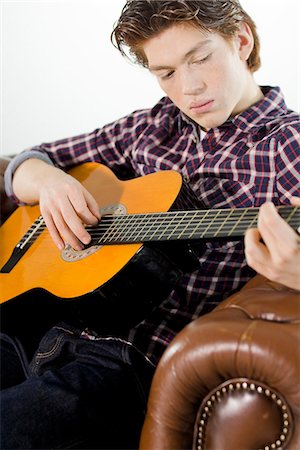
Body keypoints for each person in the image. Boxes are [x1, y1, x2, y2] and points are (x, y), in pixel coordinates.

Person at [1, 1, 299, 448]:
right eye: (167, 73)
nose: (190, 87)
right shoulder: (152, 126)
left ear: (240, 40)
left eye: (200, 58)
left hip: (122, 365)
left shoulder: (288, 147)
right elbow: (17, 164)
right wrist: (46, 182)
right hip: (37, 323)